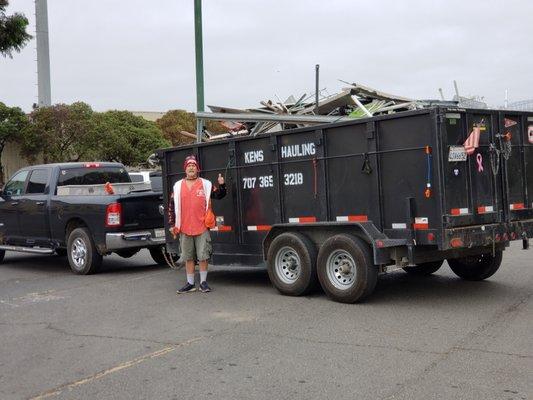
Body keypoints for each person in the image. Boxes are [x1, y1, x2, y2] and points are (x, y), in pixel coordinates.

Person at [167, 155, 226, 294]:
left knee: (203, 256)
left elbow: (220, 195)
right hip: (184, 228)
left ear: (197, 168)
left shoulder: (206, 184)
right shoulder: (177, 186)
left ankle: (203, 283)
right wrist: (171, 224)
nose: (191, 167)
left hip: (202, 227)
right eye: (189, 166)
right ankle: (190, 283)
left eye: (193, 165)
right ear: (185, 169)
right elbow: (171, 207)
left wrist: (222, 184)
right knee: (188, 257)